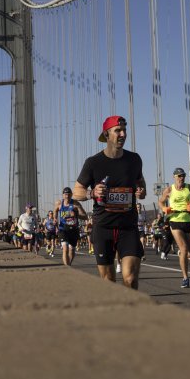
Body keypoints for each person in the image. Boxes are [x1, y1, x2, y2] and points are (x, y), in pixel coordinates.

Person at [74, 115, 146, 287]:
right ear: (106, 134)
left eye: (124, 130)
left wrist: (141, 191)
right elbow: (77, 192)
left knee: (130, 279)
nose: (122, 134)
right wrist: (92, 193)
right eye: (118, 130)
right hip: (103, 228)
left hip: (128, 227)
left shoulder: (134, 159)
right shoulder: (93, 163)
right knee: (109, 281)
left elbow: (140, 183)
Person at [159, 167, 190, 288]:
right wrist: (164, 208)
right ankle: (185, 278)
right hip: (175, 220)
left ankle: (185, 254)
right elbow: (161, 201)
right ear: (174, 177)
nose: (182, 178)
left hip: (188, 220)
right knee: (184, 248)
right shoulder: (169, 189)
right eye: (179, 176)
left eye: (183, 176)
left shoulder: (189, 188)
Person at [54, 187, 87, 266]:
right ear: (63, 195)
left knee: (71, 250)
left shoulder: (76, 204)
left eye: (69, 194)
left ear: (71, 195)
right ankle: (67, 268)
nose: (67, 196)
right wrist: (55, 218)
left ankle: (69, 265)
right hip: (63, 229)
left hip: (73, 230)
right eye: (65, 194)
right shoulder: (59, 203)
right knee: (65, 249)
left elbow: (85, 216)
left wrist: (76, 214)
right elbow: (55, 210)